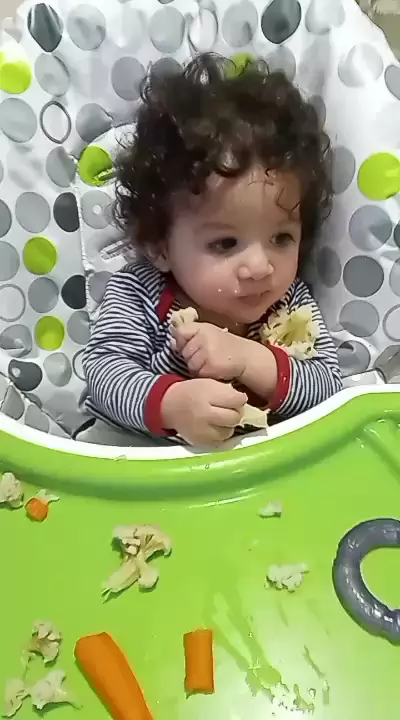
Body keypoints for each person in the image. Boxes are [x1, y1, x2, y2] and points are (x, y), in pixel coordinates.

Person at [82, 53, 342, 447]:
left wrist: (250, 359)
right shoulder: (139, 294)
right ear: (160, 245)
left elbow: (328, 387)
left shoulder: (289, 302)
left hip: (260, 469)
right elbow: (105, 374)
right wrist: (171, 405)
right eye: (225, 243)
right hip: (143, 462)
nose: (261, 267)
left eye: (281, 238)